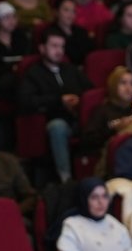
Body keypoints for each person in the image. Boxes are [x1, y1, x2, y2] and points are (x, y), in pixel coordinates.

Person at [18, 31, 91, 183]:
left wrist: (79, 100)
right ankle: (66, 178)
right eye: (54, 46)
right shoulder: (33, 73)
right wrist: (59, 100)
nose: (59, 51)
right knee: (58, 127)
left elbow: (90, 91)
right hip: (53, 119)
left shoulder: (70, 69)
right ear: (42, 48)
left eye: (62, 46)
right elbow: (27, 100)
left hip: (79, 118)